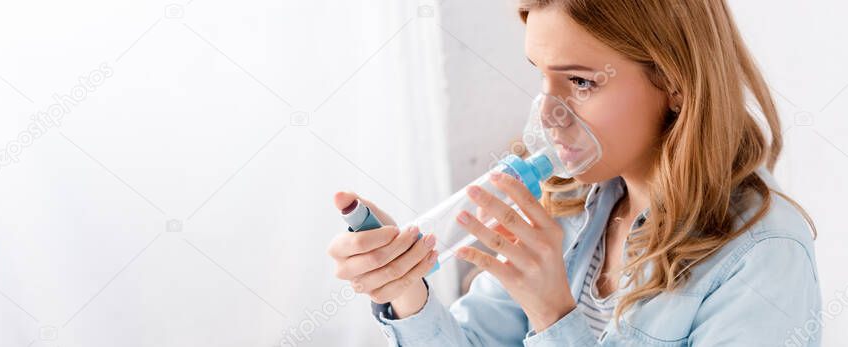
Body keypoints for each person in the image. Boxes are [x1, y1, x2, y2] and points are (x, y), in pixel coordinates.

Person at [328, 0, 821, 345]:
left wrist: (553, 315)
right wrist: (405, 291)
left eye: (581, 82)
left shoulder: (762, 256)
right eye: (541, 77)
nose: (547, 114)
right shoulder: (565, 207)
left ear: (674, 83)